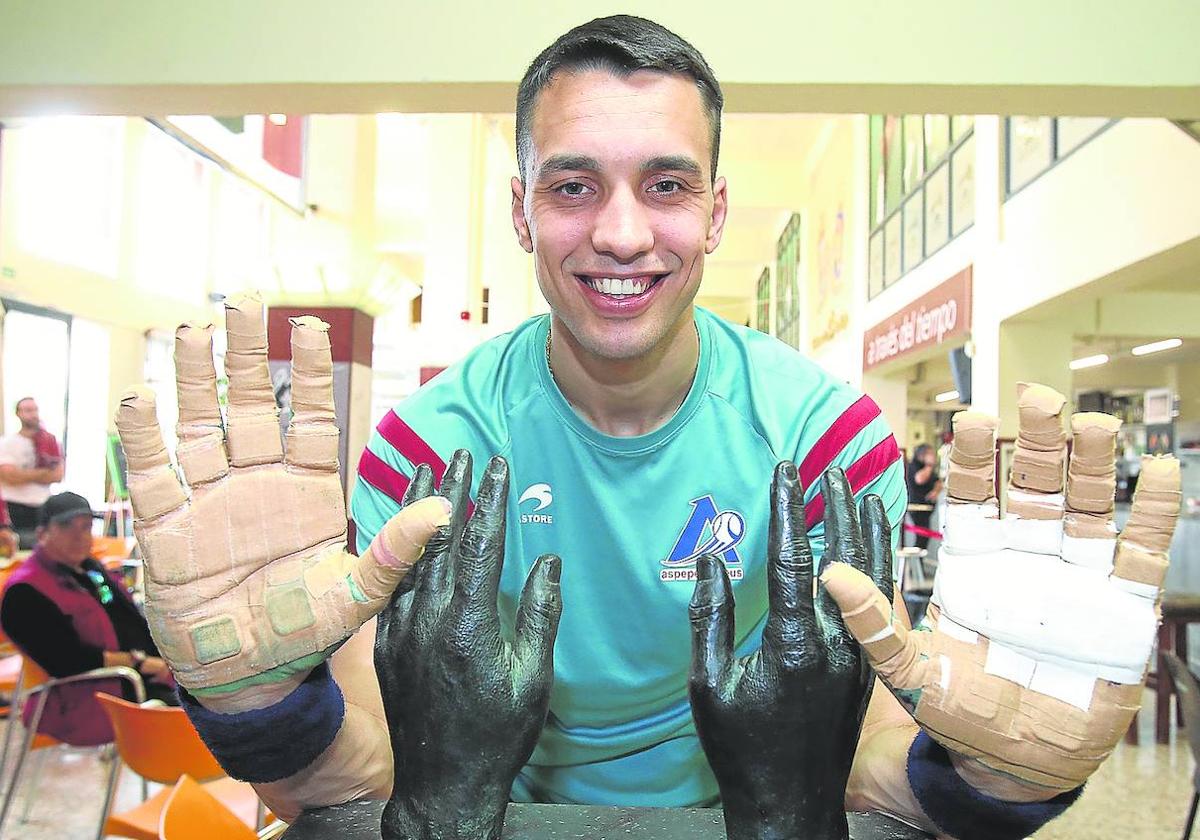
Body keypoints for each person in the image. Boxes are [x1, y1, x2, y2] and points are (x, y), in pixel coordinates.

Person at [111, 16, 1174, 840]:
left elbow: (869, 766)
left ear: (714, 211)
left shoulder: (828, 442)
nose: (621, 233)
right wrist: (257, 708)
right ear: (523, 208)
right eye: (574, 186)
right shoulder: (426, 450)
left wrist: (988, 780)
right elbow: (349, 782)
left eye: (665, 185)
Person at [0, 492, 176, 744]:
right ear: (41, 534)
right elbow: (68, 660)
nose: (79, 536)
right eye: (66, 526)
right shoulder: (24, 592)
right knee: (213, 726)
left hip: (138, 681)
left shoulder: (89, 568)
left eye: (85, 527)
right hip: (89, 700)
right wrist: (142, 664)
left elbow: (129, 620)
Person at [0, 397, 64, 547]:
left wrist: (22, 474)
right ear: (18, 413)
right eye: (28, 410)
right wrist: (44, 473)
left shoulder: (51, 441)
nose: (33, 414)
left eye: (35, 410)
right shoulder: (7, 443)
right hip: (15, 507)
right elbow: (9, 476)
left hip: (42, 506)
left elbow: (57, 475)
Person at [905, 443, 942, 549]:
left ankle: (918, 562)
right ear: (922, 455)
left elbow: (938, 482)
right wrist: (929, 466)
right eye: (930, 454)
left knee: (924, 538)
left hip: (927, 508)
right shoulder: (914, 465)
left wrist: (935, 491)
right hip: (916, 508)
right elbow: (919, 479)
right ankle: (915, 563)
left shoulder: (928, 469)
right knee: (920, 538)